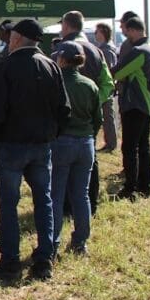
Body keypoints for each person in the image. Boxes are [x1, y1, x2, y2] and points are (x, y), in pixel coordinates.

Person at [0, 19, 69, 280]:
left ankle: (10, 260)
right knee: (44, 200)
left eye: (11, 37)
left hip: (11, 145)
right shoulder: (51, 66)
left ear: (18, 38)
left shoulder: (5, 67)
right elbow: (64, 109)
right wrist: (51, 133)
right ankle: (44, 258)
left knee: (9, 204)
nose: (8, 41)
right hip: (41, 144)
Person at [50, 41, 100, 257]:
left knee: (56, 194)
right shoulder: (90, 85)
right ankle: (80, 243)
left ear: (62, 59)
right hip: (86, 143)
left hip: (61, 142)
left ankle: (52, 243)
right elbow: (97, 118)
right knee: (81, 195)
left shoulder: (56, 83)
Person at [112, 16, 150, 201]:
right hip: (146, 103)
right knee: (143, 147)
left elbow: (118, 72)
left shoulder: (139, 51)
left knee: (130, 148)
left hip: (135, 104)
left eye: (126, 31)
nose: (125, 35)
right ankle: (144, 187)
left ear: (133, 30)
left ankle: (130, 188)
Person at [93, 22, 118, 152]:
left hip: (105, 89)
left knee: (108, 117)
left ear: (103, 32)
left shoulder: (106, 50)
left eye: (96, 32)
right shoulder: (105, 48)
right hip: (105, 88)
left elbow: (109, 71)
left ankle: (111, 144)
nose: (95, 34)